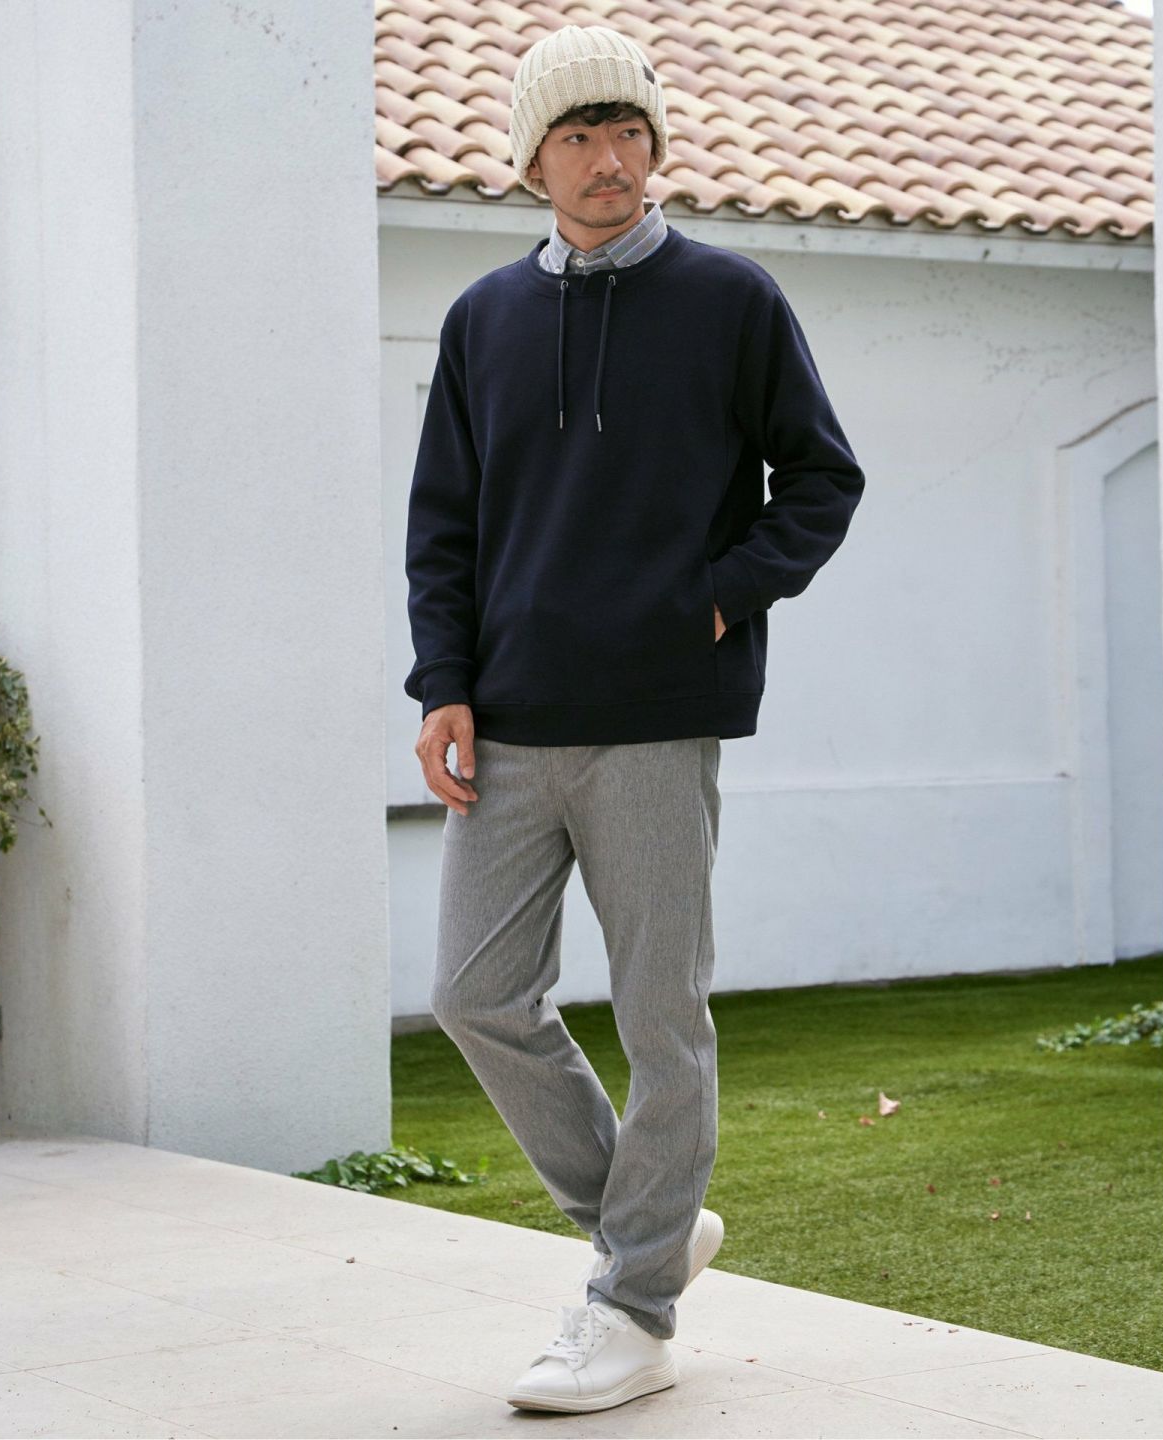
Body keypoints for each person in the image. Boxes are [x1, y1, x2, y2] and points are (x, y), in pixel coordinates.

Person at [403, 22, 866, 1416]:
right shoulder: (482, 320)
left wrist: (713, 603)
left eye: (628, 134)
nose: (609, 161)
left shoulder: (731, 299)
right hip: (512, 720)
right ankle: (646, 1227)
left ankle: (635, 1311)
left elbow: (821, 480)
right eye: (579, 137)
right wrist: (443, 682)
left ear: (654, 148)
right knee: (475, 995)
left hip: (660, 717)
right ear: (531, 160)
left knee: (664, 1017)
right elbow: (443, 524)